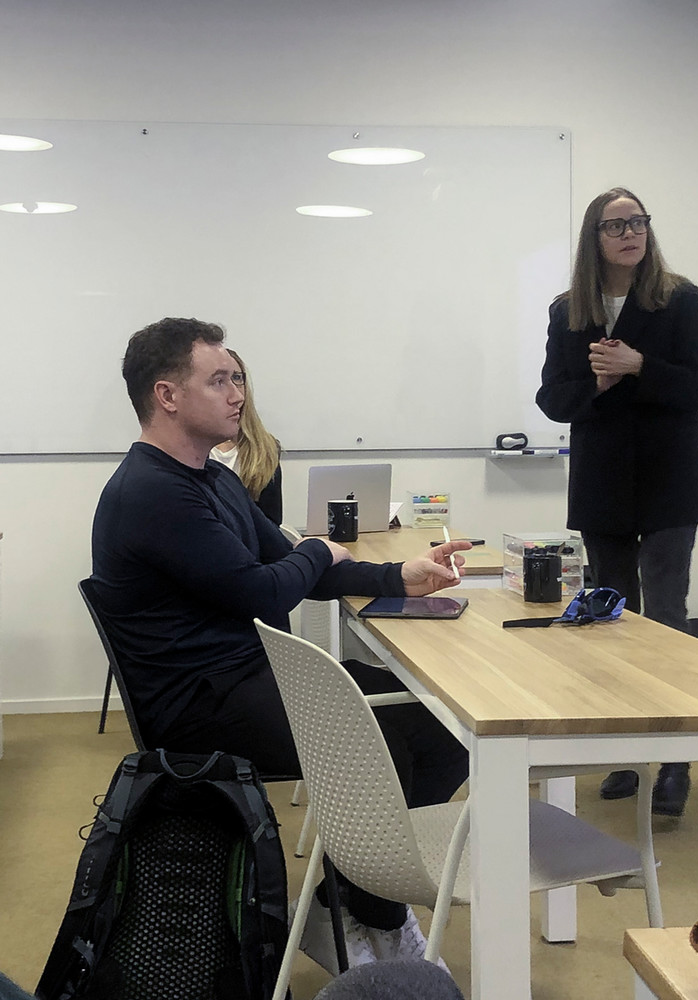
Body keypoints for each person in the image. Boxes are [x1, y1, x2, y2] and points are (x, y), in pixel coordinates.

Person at [91, 317, 472, 971]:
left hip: (246, 677)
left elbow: (296, 564)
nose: (238, 394)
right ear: (168, 396)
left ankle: (352, 902)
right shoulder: (153, 493)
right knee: (383, 746)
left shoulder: (211, 481)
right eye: (219, 380)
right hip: (199, 705)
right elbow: (264, 590)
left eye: (238, 378)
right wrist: (317, 551)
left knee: (439, 722)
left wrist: (400, 576)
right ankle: (366, 915)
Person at [535, 187, 698, 818]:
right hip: (602, 480)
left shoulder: (680, 298)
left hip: (670, 479)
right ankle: (623, 750)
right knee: (611, 620)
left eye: (637, 222)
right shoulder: (568, 310)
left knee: (666, 617)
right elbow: (553, 401)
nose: (629, 233)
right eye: (615, 225)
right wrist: (598, 382)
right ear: (596, 238)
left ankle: (674, 760)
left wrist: (640, 366)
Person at [209, 348, 283, 525]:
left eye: (237, 377)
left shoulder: (265, 447)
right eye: (220, 381)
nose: (234, 392)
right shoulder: (190, 449)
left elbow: (272, 522)